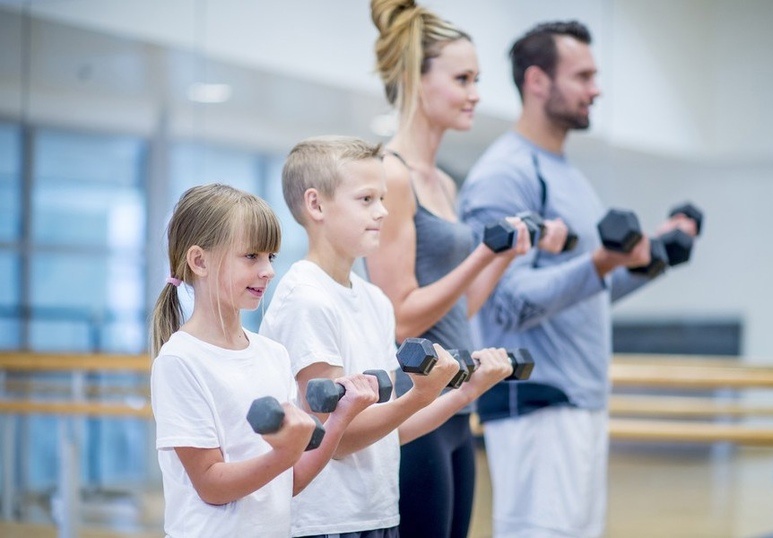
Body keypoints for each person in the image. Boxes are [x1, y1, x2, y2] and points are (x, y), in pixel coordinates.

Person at [458, 21, 701, 537]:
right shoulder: (507, 174)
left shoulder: (567, 173)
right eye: (583, 76)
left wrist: (652, 256)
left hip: (580, 397)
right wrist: (602, 263)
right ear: (537, 82)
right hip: (537, 397)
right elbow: (510, 304)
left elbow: (587, 292)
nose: (597, 89)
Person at [364, 2, 572, 537]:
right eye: (462, 79)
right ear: (415, 79)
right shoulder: (392, 174)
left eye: (477, 78)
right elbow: (402, 318)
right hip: (416, 405)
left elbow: (460, 307)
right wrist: (483, 252)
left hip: (456, 406)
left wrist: (504, 255)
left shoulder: (444, 182)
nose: (476, 92)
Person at [260, 135, 515, 538]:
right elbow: (337, 439)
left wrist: (465, 392)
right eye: (365, 200)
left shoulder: (375, 300)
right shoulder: (306, 299)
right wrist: (419, 394)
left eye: (382, 198)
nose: (382, 212)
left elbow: (390, 430)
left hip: (377, 516)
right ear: (316, 205)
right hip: (325, 525)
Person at [149, 183, 378, 538]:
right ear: (199, 260)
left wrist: (341, 418)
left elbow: (292, 481)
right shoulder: (180, 359)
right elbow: (211, 484)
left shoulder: (272, 354)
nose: (269, 270)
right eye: (251, 256)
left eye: (270, 257)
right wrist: (283, 455)